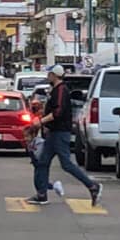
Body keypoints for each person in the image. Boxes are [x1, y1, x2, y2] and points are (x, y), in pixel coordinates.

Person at [31, 63, 102, 207]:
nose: (47, 76)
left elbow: (58, 112)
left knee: (67, 164)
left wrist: (41, 121)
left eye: (49, 73)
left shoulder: (61, 90)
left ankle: (92, 186)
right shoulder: (55, 90)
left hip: (59, 133)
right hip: (52, 133)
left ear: (54, 75)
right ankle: (42, 194)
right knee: (42, 162)